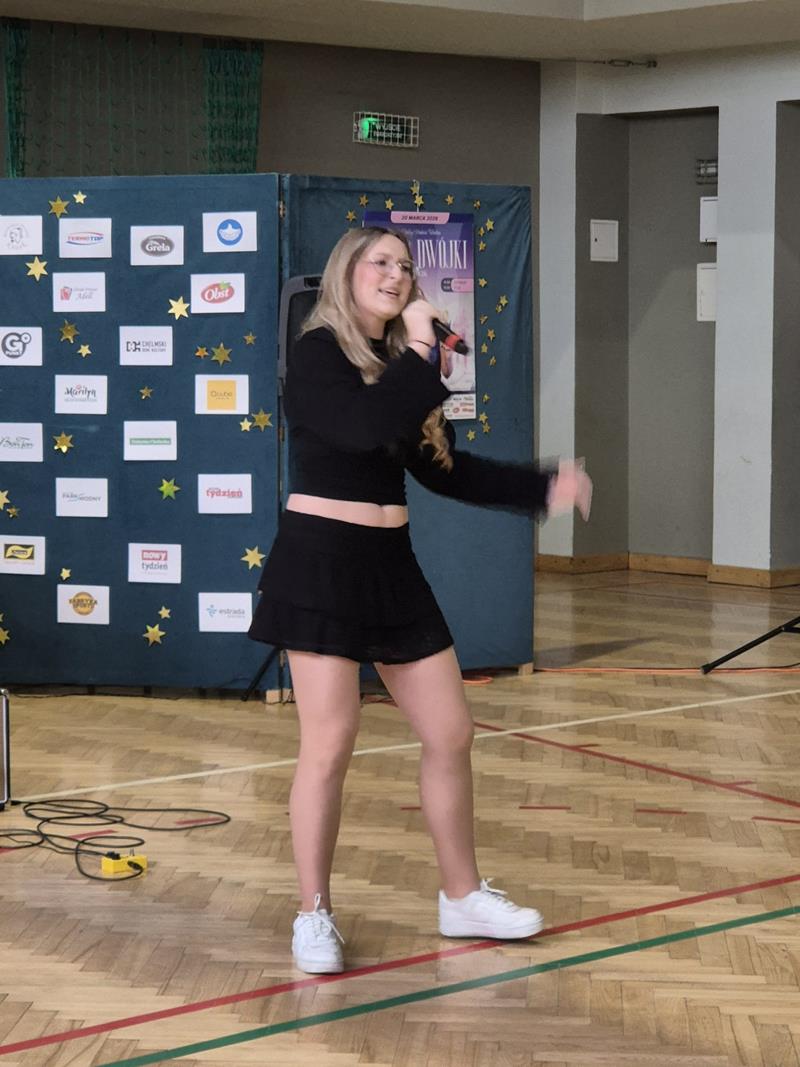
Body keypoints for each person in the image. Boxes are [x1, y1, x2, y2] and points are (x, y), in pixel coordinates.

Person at [248, 226, 592, 974]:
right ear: (345, 272)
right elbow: (363, 429)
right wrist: (420, 349)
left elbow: (445, 469)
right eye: (381, 261)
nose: (398, 273)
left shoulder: (400, 368)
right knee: (330, 742)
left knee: (451, 731)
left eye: (406, 265)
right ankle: (313, 912)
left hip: (390, 565)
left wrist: (543, 486)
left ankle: (461, 895)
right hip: (320, 564)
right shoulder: (317, 353)